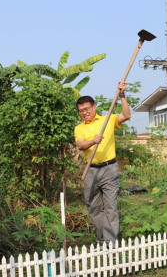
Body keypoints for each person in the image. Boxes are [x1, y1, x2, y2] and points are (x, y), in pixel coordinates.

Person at [74, 81, 130, 245]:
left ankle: (111, 243)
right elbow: (80, 144)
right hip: (90, 171)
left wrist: (122, 96)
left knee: (111, 206)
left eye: (87, 109)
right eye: (81, 111)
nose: (84, 113)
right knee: (94, 207)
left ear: (94, 107)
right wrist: (93, 141)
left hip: (109, 169)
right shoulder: (79, 128)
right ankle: (101, 240)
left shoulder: (107, 120)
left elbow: (126, 115)